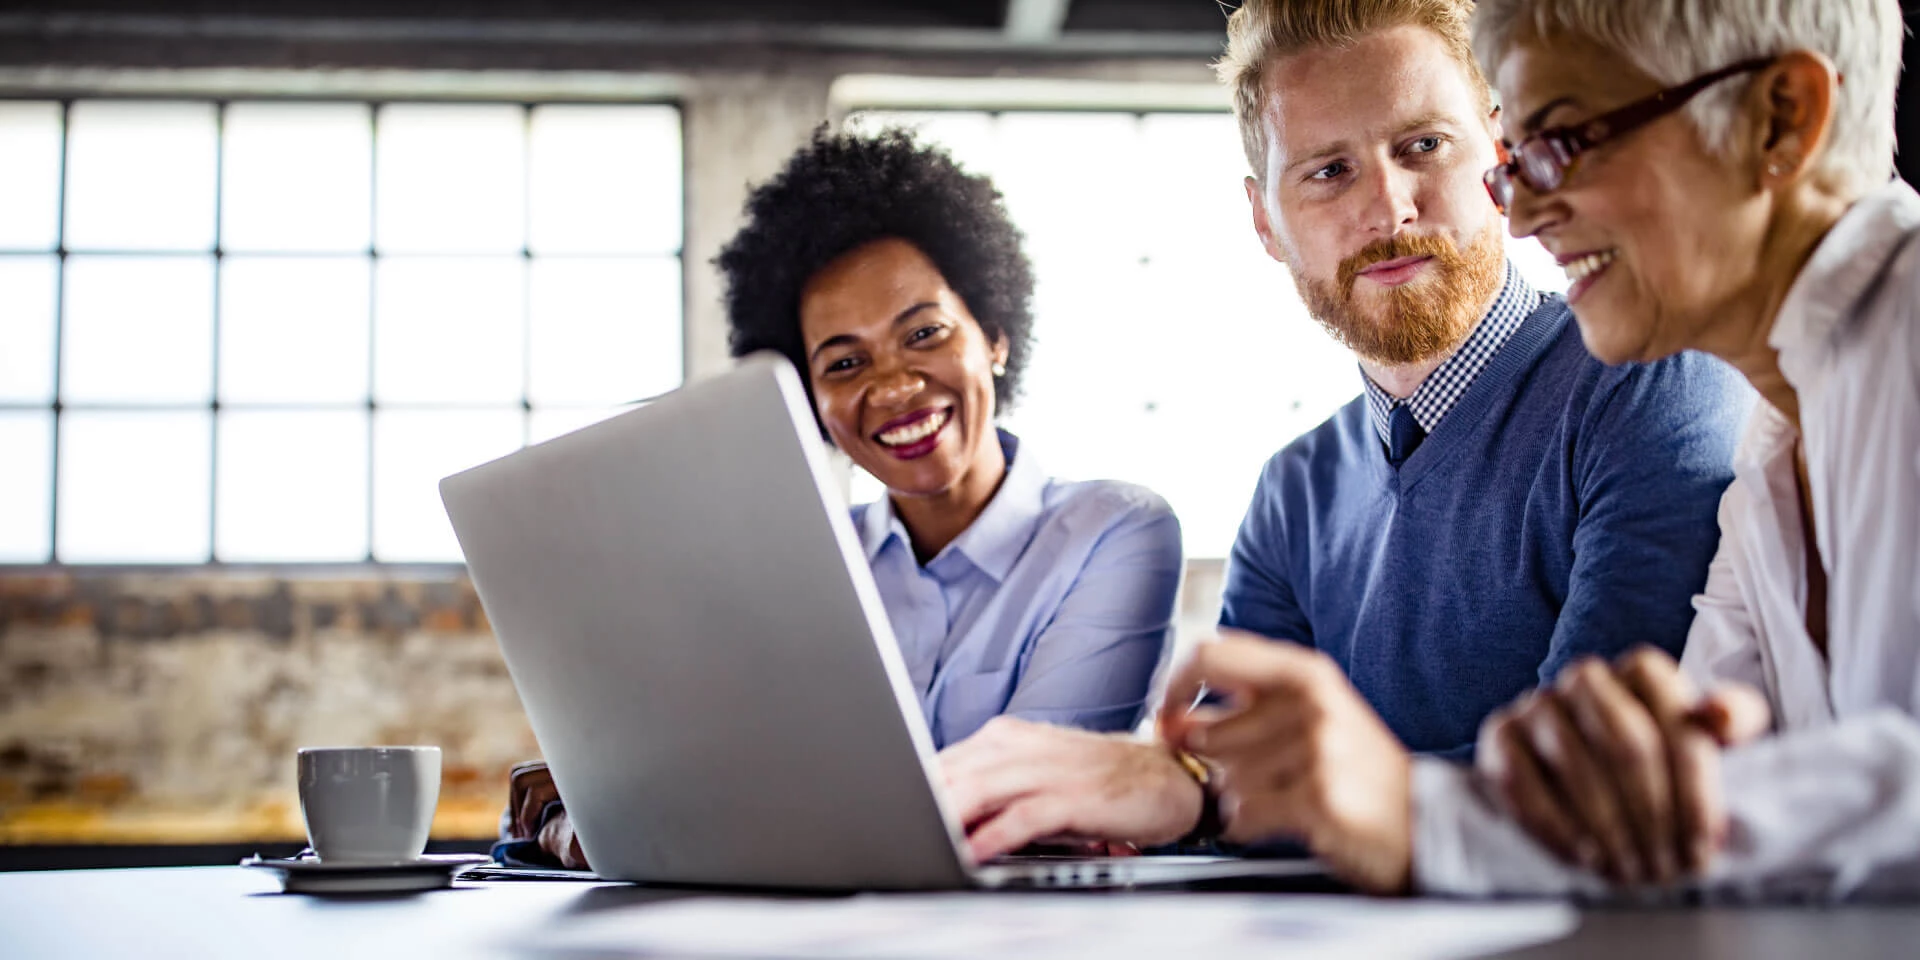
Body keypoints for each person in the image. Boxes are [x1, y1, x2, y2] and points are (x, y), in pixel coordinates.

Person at [939, 0, 1750, 890]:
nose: (1387, 208)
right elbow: (1212, 775)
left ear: (1500, 151)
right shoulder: (1291, 492)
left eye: (1423, 147)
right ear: (1264, 223)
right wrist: (1131, 805)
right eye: (1328, 171)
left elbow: (1595, 777)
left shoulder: (1646, 380)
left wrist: (1210, 798)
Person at [497, 127, 1185, 870]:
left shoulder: (1116, 534)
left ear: (994, 335)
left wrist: (712, 803)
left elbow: (1019, 804)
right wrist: (611, 802)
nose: (891, 387)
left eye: (924, 333)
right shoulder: (801, 567)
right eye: (846, 361)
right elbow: (744, 779)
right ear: (812, 398)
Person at [1401, 0, 1920, 899]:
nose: (1520, 217)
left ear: (1780, 117)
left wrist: (1407, 815)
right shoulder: (1768, 446)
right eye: (1511, 166)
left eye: (1562, 140)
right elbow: (1682, 818)